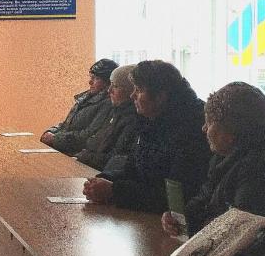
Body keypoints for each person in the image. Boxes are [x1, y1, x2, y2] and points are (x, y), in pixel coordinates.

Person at [161, 81, 265, 238]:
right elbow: (205, 198)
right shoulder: (227, 154)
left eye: (209, 122)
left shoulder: (262, 167)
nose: (204, 129)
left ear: (230, 131)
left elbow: (239, 233)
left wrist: (197, 225)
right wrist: (180, 218)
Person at [83, 60, 207, 212]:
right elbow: (134, 169)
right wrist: (106, 178)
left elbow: (174, 196)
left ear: (160, 96)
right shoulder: (149, 120)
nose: (132, 95)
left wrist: (114, 191)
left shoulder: (192, 129)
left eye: (139, 90)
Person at [40, 59, 118, 155]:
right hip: (64, 149)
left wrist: (55, 139)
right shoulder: (85, 98)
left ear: (108, 82)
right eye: (91, 77)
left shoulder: (108, 104)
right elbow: (66, 124)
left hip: (77, 155)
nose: (90, 82)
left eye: (96, 78)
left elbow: (88, 135)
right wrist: (50, 132)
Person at [74, 64, 138, 170]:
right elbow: (95, 142)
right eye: (110, 84)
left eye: (115, 86)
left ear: (130, 91)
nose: (109, 90)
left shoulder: (133, 120)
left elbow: (116, 159)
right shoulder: (116, 112)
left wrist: (87, 157)